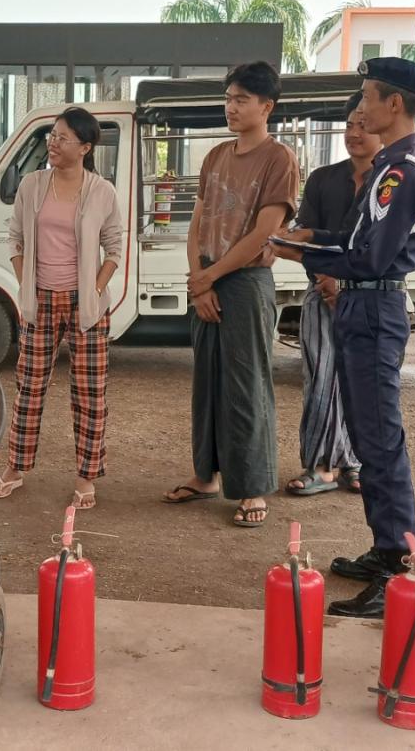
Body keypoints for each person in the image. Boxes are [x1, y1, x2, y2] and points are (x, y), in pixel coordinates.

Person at [272, 58, 415, 618]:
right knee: (369, 437)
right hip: (363, 304)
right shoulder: (392, 164)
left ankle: (398, 566)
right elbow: (356, 238)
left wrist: (300, 251)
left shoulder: (402, 171)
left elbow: (369, 256)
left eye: (367, 97)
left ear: (395, 104)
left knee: (381, 441)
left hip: (373, 303)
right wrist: (313, 237)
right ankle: (385, 547)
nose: (360, 110)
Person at [163, 61, 299, 528]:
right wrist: (198, 277)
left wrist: (210, 277)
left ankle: (253, 486)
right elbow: (197, 223)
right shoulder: (216, 155)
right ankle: (206, 476)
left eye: (242, 99)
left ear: (267, 106)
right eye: (228, 99)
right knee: (207, 383)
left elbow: (265, 233)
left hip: (246, 282)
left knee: (246, 384)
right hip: (208, 276)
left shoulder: (278, 159)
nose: (232, 107)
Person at [0, 107, 123, 510]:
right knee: (29, 389)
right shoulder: (32, 185)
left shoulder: (102, 191)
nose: (54, 142)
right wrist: (25, 281)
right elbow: (15, 238)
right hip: (41, 300)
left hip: (87, 306)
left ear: (85, 147)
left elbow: (115, 248)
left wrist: (94, 289)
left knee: (89, 394)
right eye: (53, 135)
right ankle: (16, 468)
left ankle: (86, 477)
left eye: (63, 138)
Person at [284, 91, 379, 497]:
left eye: (363, 125)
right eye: (350, 125)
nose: (354, 133)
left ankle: (354, 462)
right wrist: (327, 278)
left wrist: (346, 282)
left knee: (362, 384)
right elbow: (305, 236)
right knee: (321, 378)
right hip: (322, 294)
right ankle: (322, 466)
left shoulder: (392, 181)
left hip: (372, 297)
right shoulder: (323, 179)